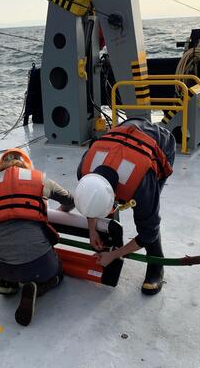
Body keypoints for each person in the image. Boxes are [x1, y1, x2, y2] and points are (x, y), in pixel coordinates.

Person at [75, 117, 176, 295]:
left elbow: (148, 232)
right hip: (125, 131)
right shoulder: (84, 169)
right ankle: (113, 243)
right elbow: (90, 199)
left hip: (159, 144)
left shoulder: (140, 181)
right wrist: (92, 230)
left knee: (147, 216)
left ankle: (156, 264)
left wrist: (116, 255)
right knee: (106, 206)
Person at [0, 148, 75, 326]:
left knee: (6, 250)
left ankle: (8, 280)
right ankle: (39, 287)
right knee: (58, 272)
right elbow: (70, 201)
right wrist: (58, 212)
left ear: (1, 168)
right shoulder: (41, 180)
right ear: (27, 166)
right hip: (37, 264)